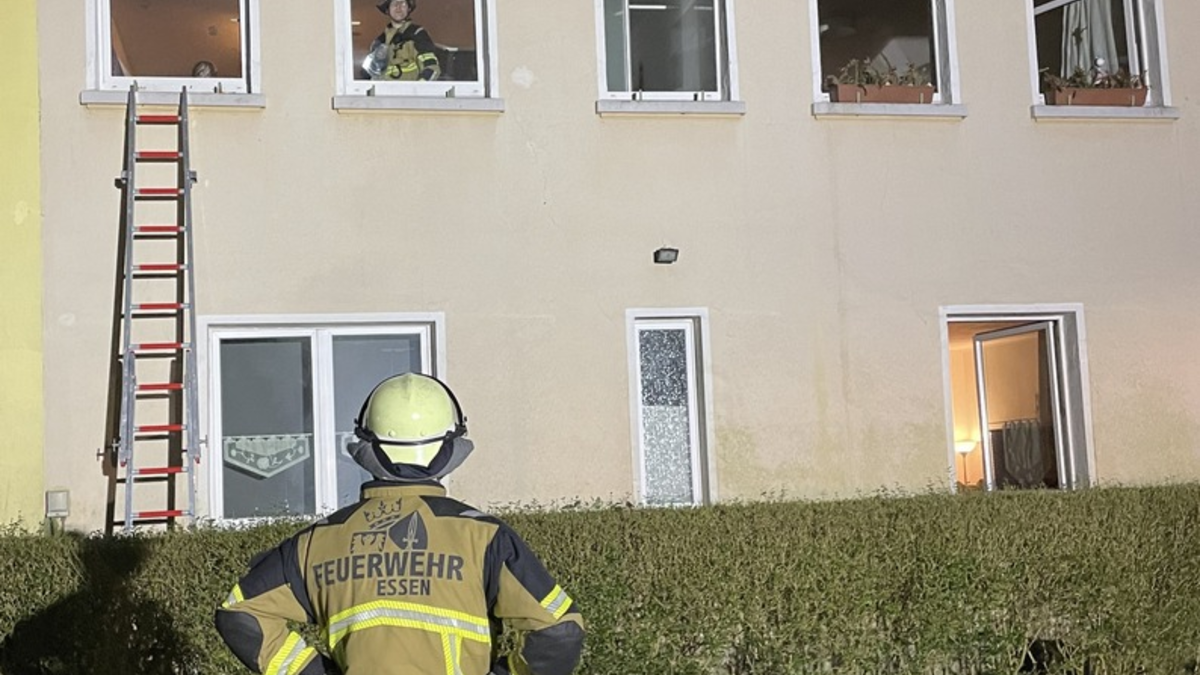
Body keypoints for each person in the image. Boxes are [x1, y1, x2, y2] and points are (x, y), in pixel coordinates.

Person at [214, 372, 585, 675]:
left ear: (366, 445)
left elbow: (240, 613)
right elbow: (560, 632)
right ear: (449, 448)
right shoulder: (484, 537)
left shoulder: (317, 542)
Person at [362, 0, 441, 81]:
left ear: (408, 8)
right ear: (387, 10)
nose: (398, 7)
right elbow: (370, 74)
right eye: (394, 4)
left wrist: (417, 89)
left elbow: (432, 68)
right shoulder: (380, 41)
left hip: (409, 92)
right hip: (384, 91)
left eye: (402, 3)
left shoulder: (417, 34)